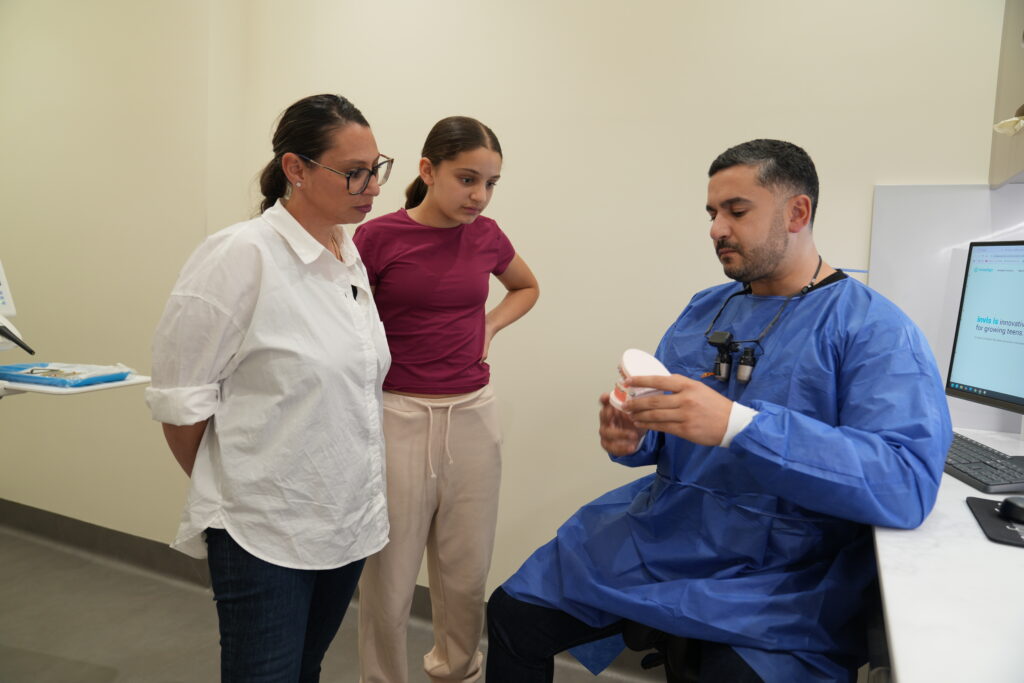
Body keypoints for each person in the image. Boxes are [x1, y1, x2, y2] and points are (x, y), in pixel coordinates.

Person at [485, 139, 952, 682]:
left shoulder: (873, 329)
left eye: (736, 211)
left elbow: (904, 482)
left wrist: (740, 426)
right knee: (514, 615)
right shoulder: (708, 309)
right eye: (712, 213)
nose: (716, 229)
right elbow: (663, 426)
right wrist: (635, 437)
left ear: (797, 212)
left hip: (786, 570)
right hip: (670, 532)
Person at [145, 93, 394, 683]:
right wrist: (242, 487)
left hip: (344, 520)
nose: (372, 187)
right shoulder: (240, 255)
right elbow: (181, 403)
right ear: (295, 168)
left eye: (377, 168)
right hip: (263, 528)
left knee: (305, 669)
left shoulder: (345, 252)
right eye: (354, 172)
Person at [354, 116, 539, 683]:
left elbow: (526, 286)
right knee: (390, 576)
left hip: (472, 414)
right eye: (467, 179)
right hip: (398, 414)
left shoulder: (487, 235)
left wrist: (489, 325)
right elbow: (347, 321)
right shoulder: (376, 238)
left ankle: (457, 672)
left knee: (465, 572)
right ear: (428, 171)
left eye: (490, 183)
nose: (479, 196)